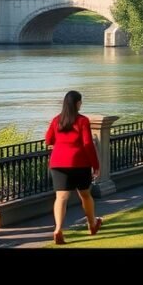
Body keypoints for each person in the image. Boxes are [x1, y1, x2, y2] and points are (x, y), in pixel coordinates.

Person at [45, 90, 102, 244]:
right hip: (79, 163)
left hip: (57, 163)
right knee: (85, 195)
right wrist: (96, 165)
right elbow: (88, 144)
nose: (81, 104)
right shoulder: (82, 121)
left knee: (61, 198)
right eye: (80, 101)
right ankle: (92, 224)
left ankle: (58, 229)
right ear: (77, 103)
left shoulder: (57, 120)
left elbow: (48, 140)